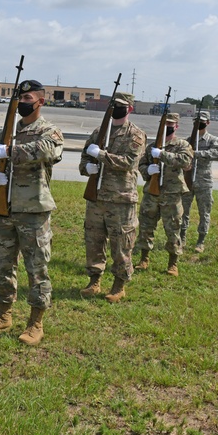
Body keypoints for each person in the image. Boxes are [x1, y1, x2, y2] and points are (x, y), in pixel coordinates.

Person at [0, 80, 64, 346]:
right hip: (6, 209)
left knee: (36, 268)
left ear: (40, 101)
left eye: (27, 97)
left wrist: (11, 151)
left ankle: (36, 322)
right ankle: (4, 315)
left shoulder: (49, 130)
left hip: (33, 211)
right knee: (3, 265)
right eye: (20, 97)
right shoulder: (9, 131)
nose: (22, 102)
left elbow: (49, 151)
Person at [79, 92, 147, 302]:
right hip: (97, 197)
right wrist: (86, 167)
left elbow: (128, 162)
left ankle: (119, 285)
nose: (116, 108)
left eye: (121, 106)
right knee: (94, 240)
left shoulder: (136, 135)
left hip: (121, 199)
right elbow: (84, 156)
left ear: (130, 109)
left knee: (121, 244)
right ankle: (94, 280)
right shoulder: (100, 132)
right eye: (113, 105)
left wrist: (101, 155)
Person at [135, 113, 194, 277]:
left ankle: (173, 263)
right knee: (146, 226)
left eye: (171, 124)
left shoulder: (182, 145)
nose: (168, 126)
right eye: (164, 123)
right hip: (152, 193)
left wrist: (162, 155)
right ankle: (144, 259)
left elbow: (185, 161)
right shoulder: (152, 146)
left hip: (172, 194)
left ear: (176, 126)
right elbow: (141, 164)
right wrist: (147, 170)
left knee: (173, 228)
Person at [180, 110, 218, 253]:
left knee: (204, 212)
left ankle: (201, 241)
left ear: (208, 122)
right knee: (183, 212)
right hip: (187, 180)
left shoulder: (212, 140)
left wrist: (196, 154)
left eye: (202, 121)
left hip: (203, 182)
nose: (198, 124)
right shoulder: (187, 141)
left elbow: (217, 154)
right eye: (196, 121)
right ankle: (182, 238)